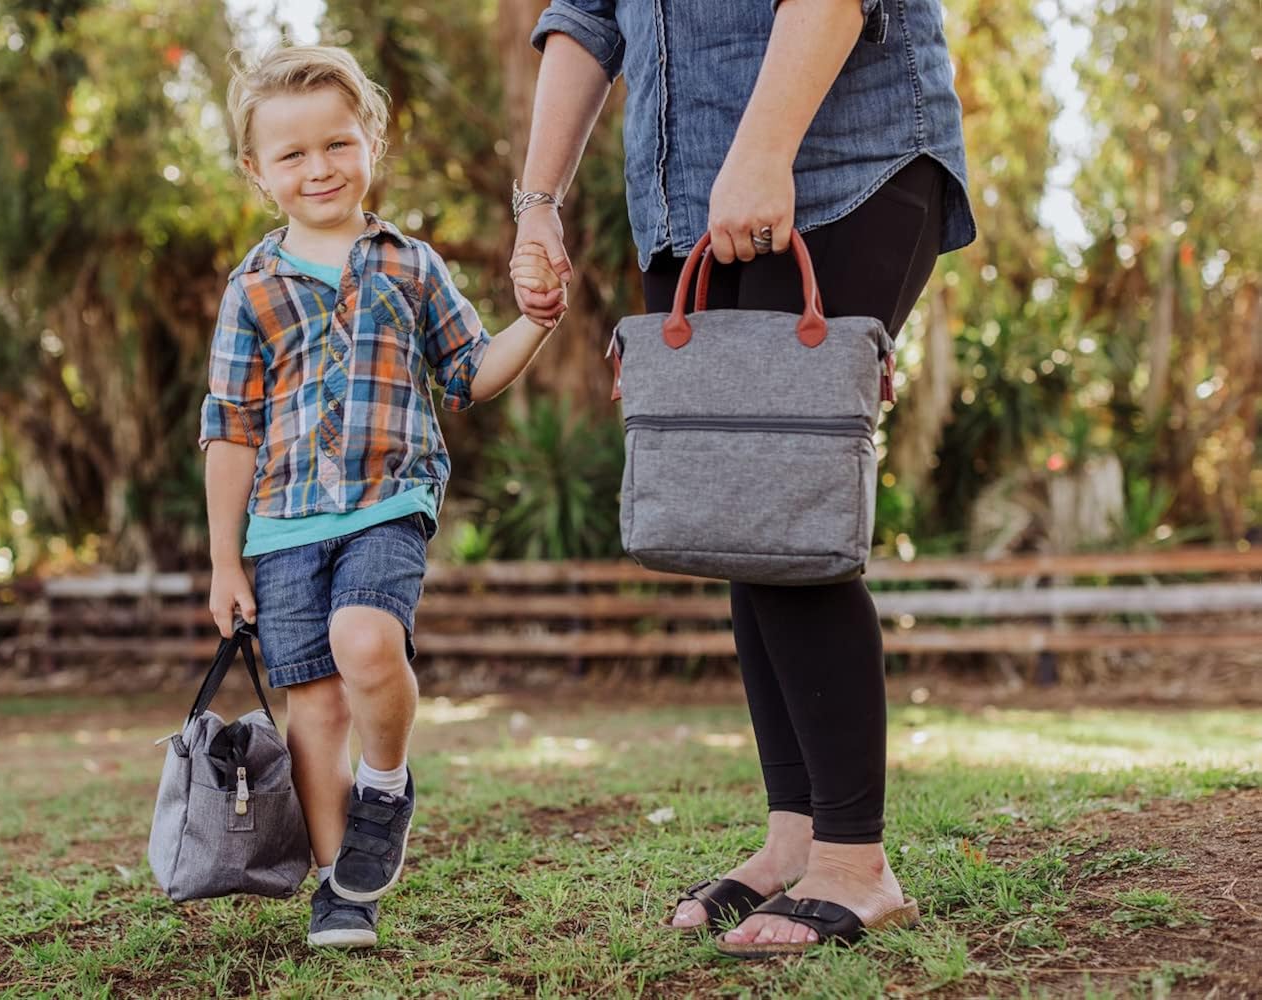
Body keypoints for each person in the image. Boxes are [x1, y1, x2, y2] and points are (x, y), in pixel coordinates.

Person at [512, 1, 976, 955]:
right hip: (682, 198)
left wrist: (765, 149)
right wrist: (538, 200)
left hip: (839, 162)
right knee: (738, 512)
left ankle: (856, 863)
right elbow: (587, 16)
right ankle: (795, 838)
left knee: (782, 505)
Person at [201, 44, 562, 950]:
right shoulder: (250, 289)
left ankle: (388, 783)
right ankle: (341, 892)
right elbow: (231, 429)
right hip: (283, 525)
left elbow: (470, 373)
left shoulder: (410, 266)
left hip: (386, 503)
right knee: (313, 708)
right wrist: (222, 560)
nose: (317, 167)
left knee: (365, 641)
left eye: (336, 143)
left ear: (371, 143)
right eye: (291, 154)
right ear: (257, 172)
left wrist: (537, 323)